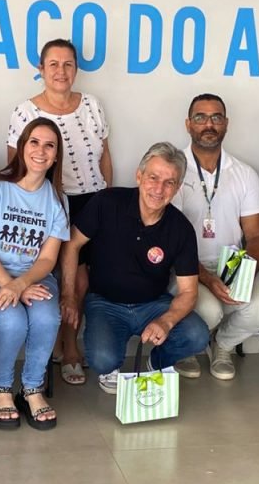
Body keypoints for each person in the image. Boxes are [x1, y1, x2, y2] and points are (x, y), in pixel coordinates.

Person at [62, 142, 210, 395]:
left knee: (197, 335)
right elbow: (71, 244)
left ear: (177, 188)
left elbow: (188, 292)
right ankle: (112, 366)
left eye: (169, 182)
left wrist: (166, 322)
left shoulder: (181, 228)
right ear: (139, 176)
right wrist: (68, 294)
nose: (159, 189)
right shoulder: (107, 202)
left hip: (153, 304)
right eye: (153, 178)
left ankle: (158, 363)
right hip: (104, 302)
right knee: (103, 360)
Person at [8, 39, 112, 387]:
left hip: (90, 201)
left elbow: (104, 157)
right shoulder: (25, 111)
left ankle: (69, 346)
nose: (61, 71)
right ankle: (59, 349)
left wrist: (105, 197)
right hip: (49, 201)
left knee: (81, 282)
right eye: (53, 64)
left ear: (76, 69)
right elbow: (16, 167)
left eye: (68, 64)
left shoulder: (93, 105)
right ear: (41, 69)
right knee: (55, 278)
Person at [0, 119, 68, 430]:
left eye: (49, 145)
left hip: (34, 277)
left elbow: (48, 258)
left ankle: (32, 389)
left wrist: (22, 284)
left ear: (56, 156)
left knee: (47, 317)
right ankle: (1, 390)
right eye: (34, 142)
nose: (41, 151)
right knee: (12, 318)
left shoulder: (57, 199)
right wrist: (12, 286)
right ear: (22, 146)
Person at [169, 94, 259, 381]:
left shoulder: (244, 174)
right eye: (200, 117)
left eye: (216, 117)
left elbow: (257, 235)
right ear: (188, 124)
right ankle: (186, 347)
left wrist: (239, 273)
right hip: (185, 268)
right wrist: (206, 278)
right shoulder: (173, 171)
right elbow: (168, 239)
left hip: (231, 264)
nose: (209, 124)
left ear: (226, 124)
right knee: (210, 311)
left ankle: (223, 345)